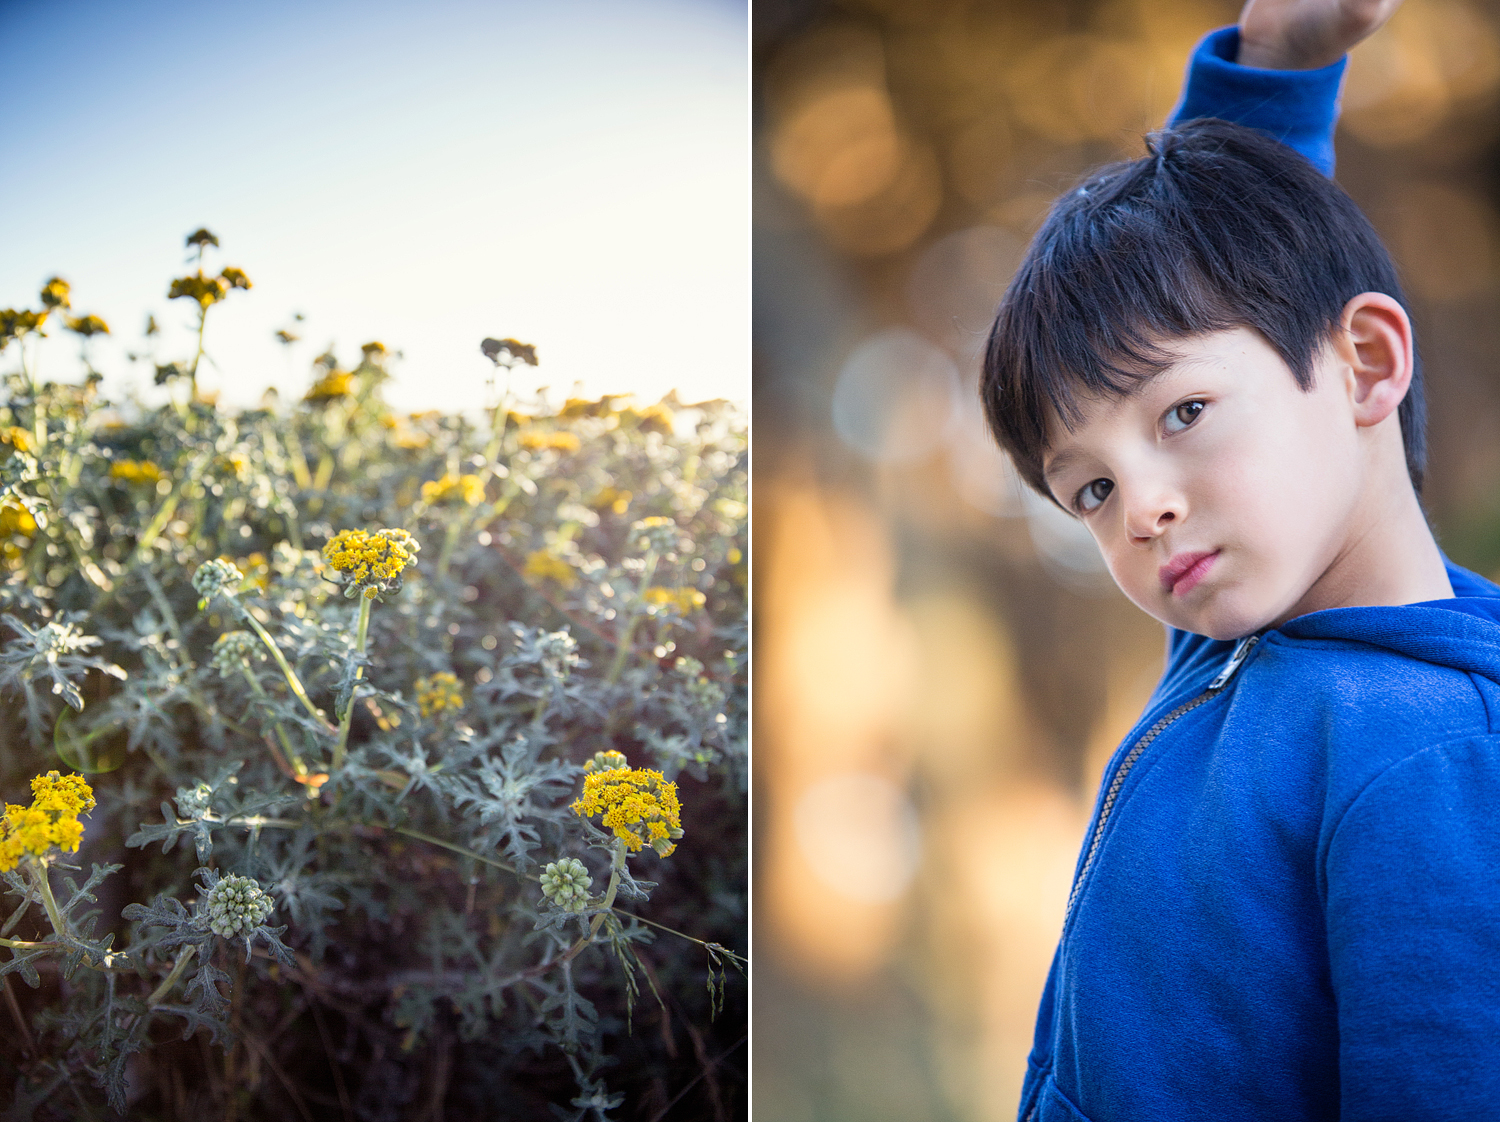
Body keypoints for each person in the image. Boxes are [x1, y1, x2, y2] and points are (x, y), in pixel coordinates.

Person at [980, 1, 1500, 1118]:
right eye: (1092, 489)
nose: (1144, 511)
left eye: (1182, 415)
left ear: (1364, 363)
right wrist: (1277, 63)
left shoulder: (1430, 753)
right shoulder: (1239, 634)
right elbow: (1234, 247)